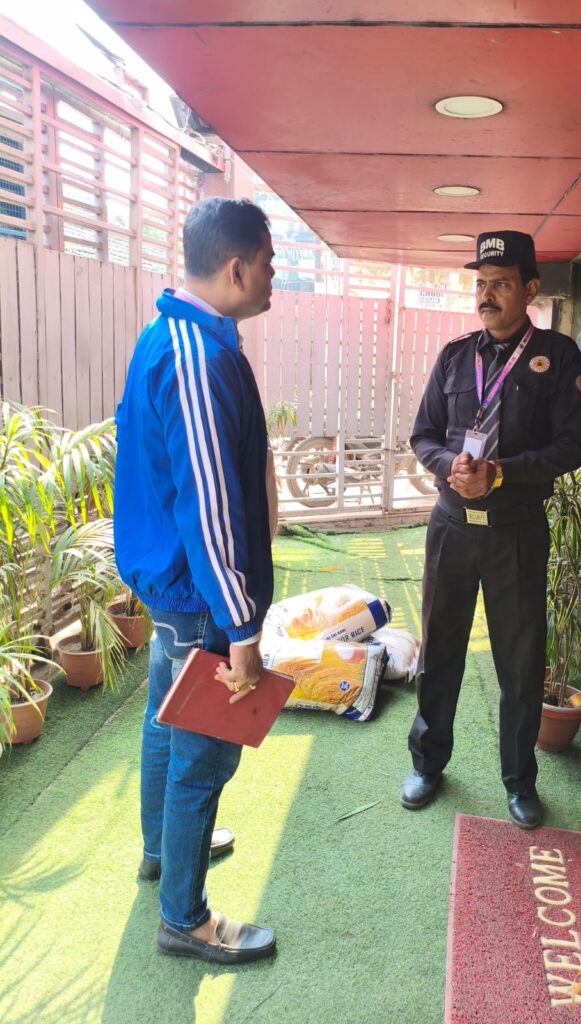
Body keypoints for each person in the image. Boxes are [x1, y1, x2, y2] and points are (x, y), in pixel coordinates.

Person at [114, 197, 277, 964]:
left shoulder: (169, 335)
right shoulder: (198, 357)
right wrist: (241, 627)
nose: (274, 275)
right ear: (236, 268)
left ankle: (162, 852)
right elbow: (207, 506)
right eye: (268, 262)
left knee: (163, 722)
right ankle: (184, 918)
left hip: (172, 588)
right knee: (203, 757)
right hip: (199, 596)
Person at [401, 231, 581, 829]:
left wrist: (500, 474)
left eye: (501, 283)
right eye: (481, 284)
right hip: (451, 527)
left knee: (520, 659)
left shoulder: (558, 356)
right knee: (441, 649)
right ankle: (427, 763)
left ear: (530, 289)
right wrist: (448, 467)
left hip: (515, 531)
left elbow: (571, 447)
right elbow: (423, 435)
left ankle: (519, 781)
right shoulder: (455, 356)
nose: (487, 294)